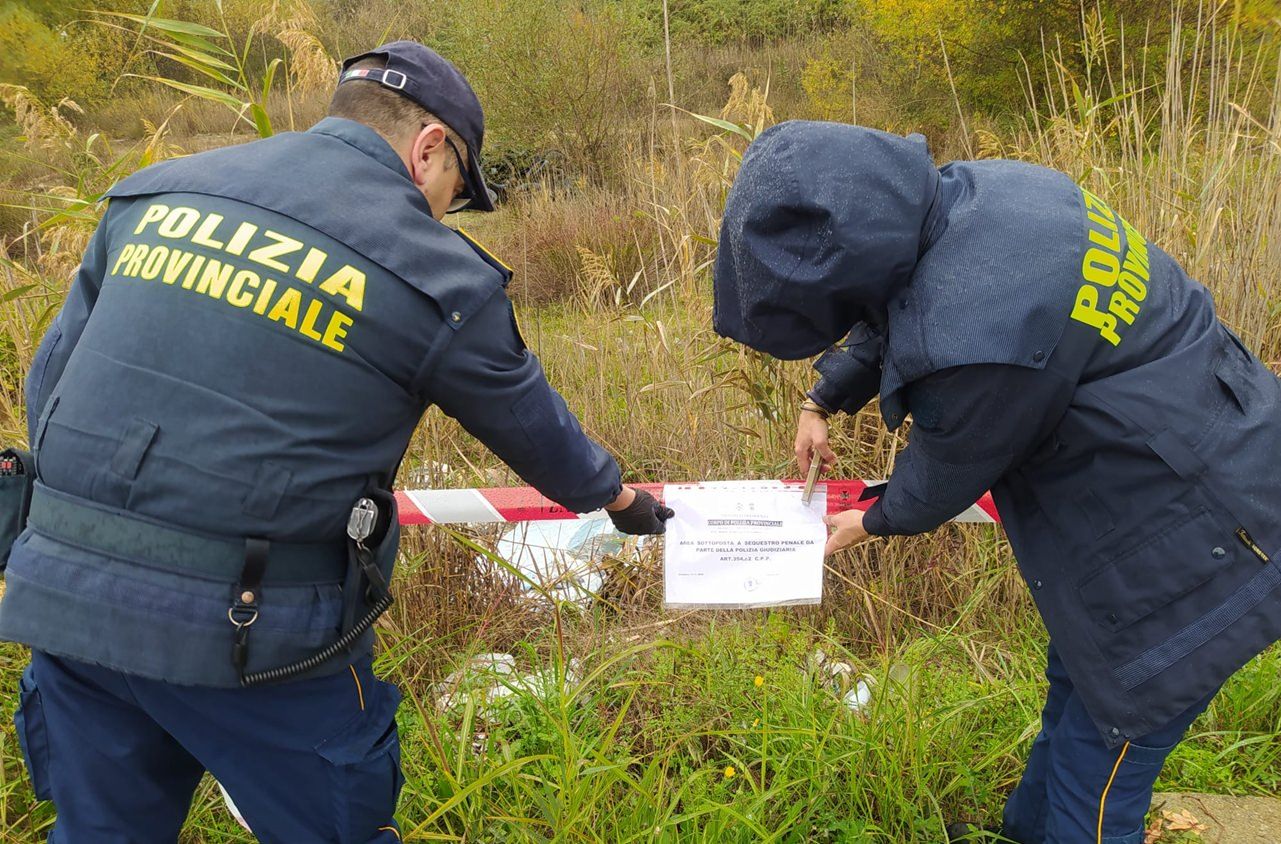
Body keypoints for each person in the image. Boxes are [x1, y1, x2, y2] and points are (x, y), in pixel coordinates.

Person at [0, 41, 670, 842]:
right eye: (454, 192)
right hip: (256, 636)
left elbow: (51, 388)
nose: (444, 213)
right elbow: (534, 431)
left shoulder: (155, 193)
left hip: (65, 600)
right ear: (430, 148)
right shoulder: (436, 276)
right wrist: (618, 498)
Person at [712, 121, 1281, 844]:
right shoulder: (994, 195)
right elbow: (899, 293)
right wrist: (820, 397)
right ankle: (1019, 833)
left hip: (1206, 548)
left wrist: (869, 520)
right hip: (1198, 475)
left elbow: (947, 462)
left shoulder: (981, 335)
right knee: (1074, 693)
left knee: (1099, 763)